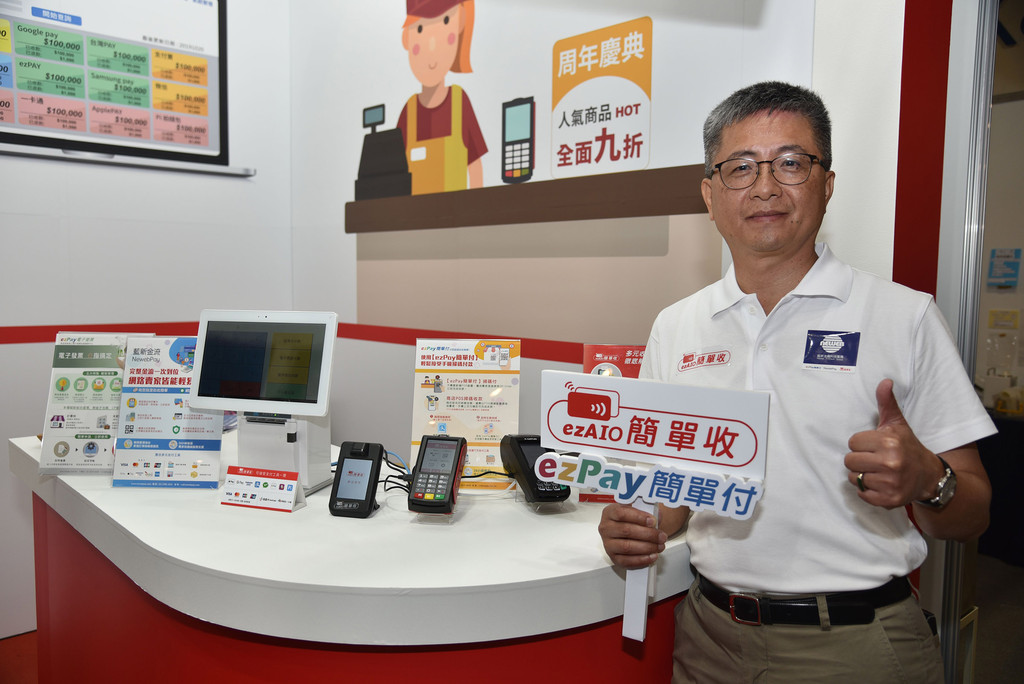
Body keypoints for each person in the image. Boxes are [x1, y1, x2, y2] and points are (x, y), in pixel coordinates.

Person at [598, 81, 995, 683]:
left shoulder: (902, 316)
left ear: (826, 184)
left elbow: (972, 514)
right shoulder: (676, 326)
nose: (764, 187)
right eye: (740, 167)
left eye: (790, 163)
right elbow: (673, 496)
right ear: (709, 194)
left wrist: (927, 480)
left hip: (856, 647)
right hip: (708, 639)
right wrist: (640, 523)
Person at [398, 0, 487, 195]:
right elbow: (395, 175)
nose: (431, 46)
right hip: (415, 215)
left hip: (457, 214)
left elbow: (474, 167)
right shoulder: (409, 112)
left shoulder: (459, 102)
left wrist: (477, 209)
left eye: (446, 21)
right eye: (419, 29)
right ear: (407, 39)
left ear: (460, 23)